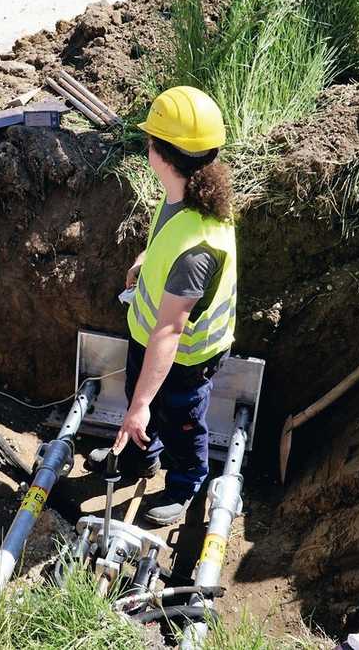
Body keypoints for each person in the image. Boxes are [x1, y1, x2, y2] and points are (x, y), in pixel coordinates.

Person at [87, 86, 237, 527]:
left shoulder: (197, 249)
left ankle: (186, 482)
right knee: (143, 398)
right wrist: (145, 260)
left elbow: (171, 332)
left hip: (186, 357)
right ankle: (139, 459)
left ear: (161, 153)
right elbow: (165, 242)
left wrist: (139, 405)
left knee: (180, 421)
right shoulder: (183, 196)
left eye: (150, 140)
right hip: (148, 339)